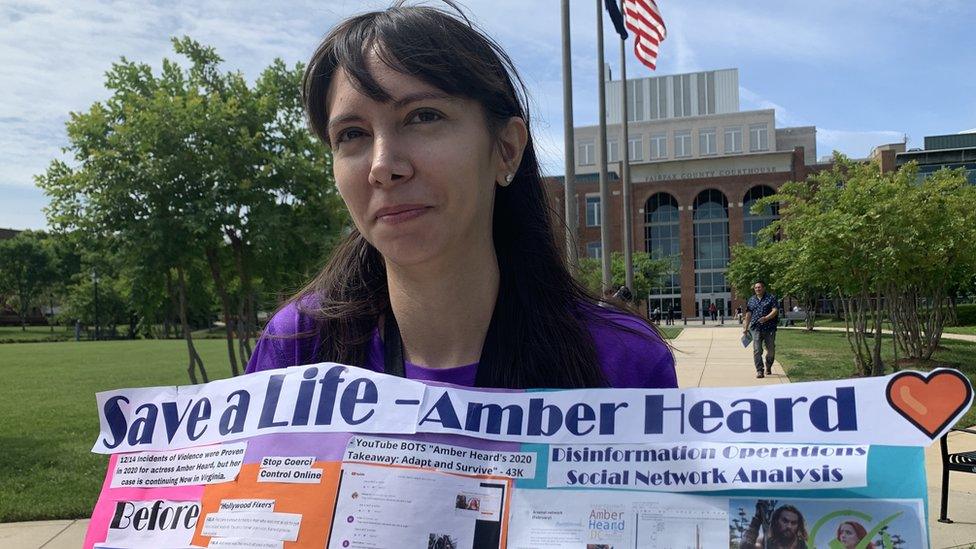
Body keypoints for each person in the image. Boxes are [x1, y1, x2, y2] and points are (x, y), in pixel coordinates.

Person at [244, 1, 676, 391]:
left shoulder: (622, 358)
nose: (382, 165)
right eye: (351, 134)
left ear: (506, 149)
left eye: (422, 116)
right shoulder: (297, 347)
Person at [742, 281, 778, 379]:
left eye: (759, 287)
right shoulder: (751, 300)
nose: (757, 289)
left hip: (769, 328)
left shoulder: (771, 298)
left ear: (764, 288)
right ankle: (759, 370)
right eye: (756, 288)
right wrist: (745, 328)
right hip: (756, 328)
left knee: (771, 350)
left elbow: (775, 310)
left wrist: (766, 318)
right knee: (757, 350)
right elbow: (748, 314)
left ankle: (768, 365)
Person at [738, 501, 808, 549]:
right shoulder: (765, 542)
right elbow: (744, 547)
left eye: (793, 523)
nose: (789, 526)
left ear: (798, 526)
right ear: (776, 521)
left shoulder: (801, 546)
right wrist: (757, 519)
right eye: (785, 521)